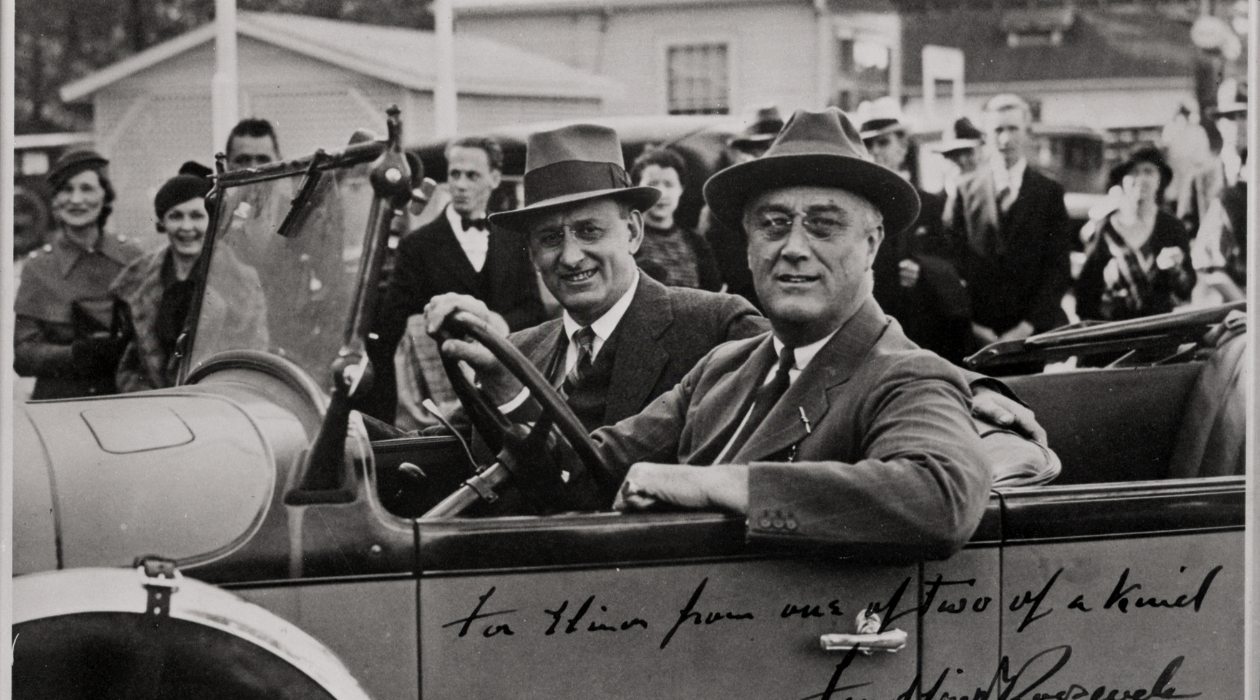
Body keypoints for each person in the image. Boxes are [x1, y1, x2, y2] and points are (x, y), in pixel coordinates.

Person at [430, 110, 1004, 559]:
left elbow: (942, 497)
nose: (794, 247)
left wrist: (715, 486)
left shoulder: (903, 373)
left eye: (824, 225)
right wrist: (505, 379)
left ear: (872, 243)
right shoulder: (726, 368)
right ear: (750, 245)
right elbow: (588, 467)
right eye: (773, 224)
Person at [375, 136, 546, 425]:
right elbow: (396, 325)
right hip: (445, 399)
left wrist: (498, 325)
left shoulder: (514, 238)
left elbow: (533, 312)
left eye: (472, 175)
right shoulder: (417, 246)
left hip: (510, 391)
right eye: (455, 174)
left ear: (494, 179)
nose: (461, 184)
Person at [110, 163, 269, 392]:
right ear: (162, 222)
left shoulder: (243, 282)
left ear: (213, 221)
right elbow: (126, 365)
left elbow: (253, 362)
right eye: (176, 216)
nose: (187, 227)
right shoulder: (135, 280)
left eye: (196, 216)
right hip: (149, 411)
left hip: (216, 406)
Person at [14, 149, 144, 399]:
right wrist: (77, 355)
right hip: (60, 405)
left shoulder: (132, 258)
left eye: (87, 188)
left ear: (105, 196)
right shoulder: (38, 268)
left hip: (125, 401)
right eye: (66, 189)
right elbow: (23, 356)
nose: (76, 199)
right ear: (54, 200)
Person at [951, 94, 1072, 359]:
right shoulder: (965, 190)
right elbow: (950, 261)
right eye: (998, 130)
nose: (1005, 139)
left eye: (1013, 129)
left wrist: (1027, 326)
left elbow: (1058, 267)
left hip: (1030, 339)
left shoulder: (1048, 192)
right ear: (986, 135)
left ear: (1028, 133)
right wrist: (972, 324)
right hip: (977, 337)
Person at [858, 99, 971, 365]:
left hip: (921, 336)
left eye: (883, 142)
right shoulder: (854, 207)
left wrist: (923, 269)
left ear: (903, 146)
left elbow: (957, 266)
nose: (875, 152)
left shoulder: (931, 206)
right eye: (867, 144)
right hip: (866, 338)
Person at [1076, 147, 1195, 322]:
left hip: (1159, 334)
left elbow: (1187, 289)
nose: (1141, 179)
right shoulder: (1107, 228)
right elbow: (1085, 293)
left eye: (1149, 172)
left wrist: (1177, 269)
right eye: (1133, 172)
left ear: (1160, 180)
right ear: (1122, 181)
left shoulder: (1172, 227)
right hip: (1114, 335)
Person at [699, 105, 786, 308]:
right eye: (760, 149)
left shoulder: (797, 201)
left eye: (775, 149)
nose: (768, 159)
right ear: (745, 155)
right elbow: (724, 274)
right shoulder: (722, 209)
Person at [629, 148, 724, 291]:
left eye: (669, 184)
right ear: (637, 188)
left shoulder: (696, 243)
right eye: (652, 184)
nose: (662, 193)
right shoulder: (627, 240)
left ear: (681, 189)